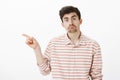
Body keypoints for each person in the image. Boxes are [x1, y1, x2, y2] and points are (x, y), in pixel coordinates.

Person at [23, 6, 103, 80]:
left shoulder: (93, 45)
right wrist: (36, 48)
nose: (70, 22)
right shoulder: (54, 43)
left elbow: (96, 77)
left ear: (80, 21)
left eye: (74, 18)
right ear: (62, 24)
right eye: (66, 19)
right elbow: (44, 71)